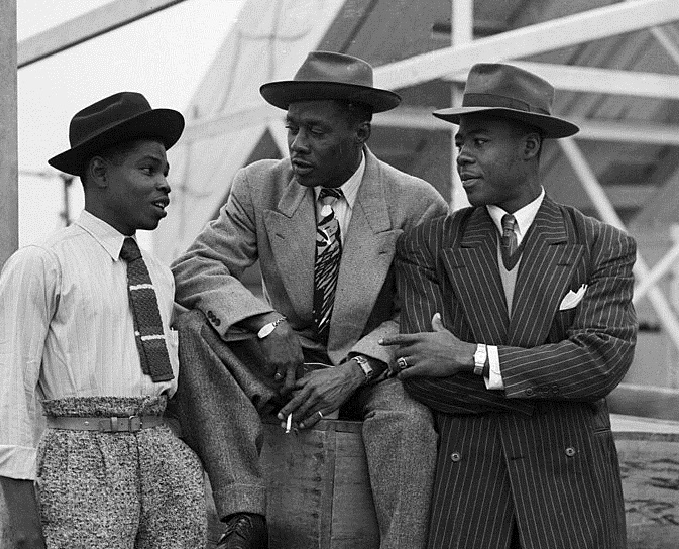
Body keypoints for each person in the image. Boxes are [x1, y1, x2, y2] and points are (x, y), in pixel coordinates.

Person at [171, 51, 448, 548]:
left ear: (360, 133)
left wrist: (357, 369)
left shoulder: (416, 202)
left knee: (407, 417)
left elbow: (424, 310)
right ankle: (244, 513)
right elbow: (195, 269)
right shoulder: (261, 184)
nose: (297, 144)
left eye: (315, 132)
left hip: (370, 369)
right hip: (284, 362)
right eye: (292, 127)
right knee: (193, 327)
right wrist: (264, 324)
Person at [380, 63, 637, 549]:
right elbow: (425, 377)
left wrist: (472, 356)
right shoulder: (427, 245)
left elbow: (602, 365)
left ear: (530, 146)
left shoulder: (603, 245)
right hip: (472, 499)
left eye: (479, 141)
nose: (462, 157)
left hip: (571, 502)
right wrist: (561, 386)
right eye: (460, 143)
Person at [0, 92, 207, 548]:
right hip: (79, 457)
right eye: (148, 170)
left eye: (166, 171)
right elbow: (6, 394)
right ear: (100, 172)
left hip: (162, 454)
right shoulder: (43, 262)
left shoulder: (160, 275)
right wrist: (23, 527)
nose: (164, 184)